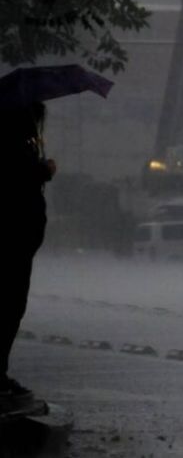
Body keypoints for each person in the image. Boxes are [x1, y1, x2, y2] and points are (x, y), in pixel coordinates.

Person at [0, 102, 55, 412]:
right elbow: (17, 183)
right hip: (13, 243)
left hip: (19, 243)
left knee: (10, 308)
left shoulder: (17, 145)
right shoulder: (13, 147)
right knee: (8, 307)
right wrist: (43, 171)